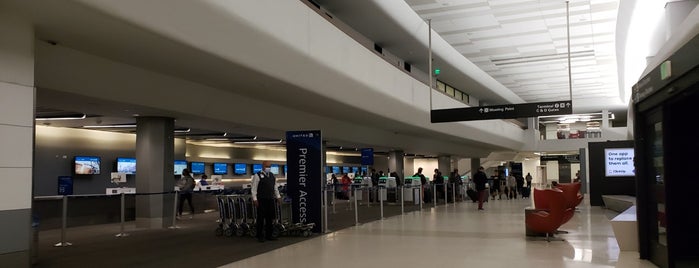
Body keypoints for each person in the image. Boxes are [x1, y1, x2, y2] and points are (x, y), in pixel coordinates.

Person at [251, 161, 281, 243]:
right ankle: (260, 235)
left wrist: (278, 197)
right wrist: (255, 199)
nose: (268, 168)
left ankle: (269, 235)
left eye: (269, 166)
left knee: (270, 218)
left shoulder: (272, 175)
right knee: (260, 218)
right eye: (267, 166)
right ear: (263, 166)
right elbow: (254, 189)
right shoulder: (257, 175)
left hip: (270, 199)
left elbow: (275, 187)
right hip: (261, 200)